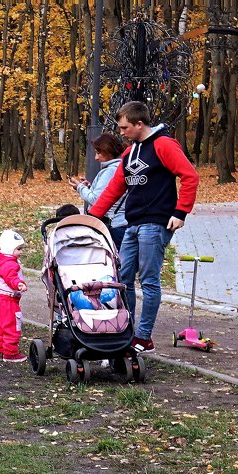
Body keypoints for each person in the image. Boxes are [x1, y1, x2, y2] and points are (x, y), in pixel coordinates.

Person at [88, 100, 198, 352]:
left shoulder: (163, 145)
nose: (121, 132)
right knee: (123, 279)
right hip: (132, 224)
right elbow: (114, 189)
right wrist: (92, 218)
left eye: (125, 127)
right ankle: (126, 332)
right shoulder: (128, 154)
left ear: (139, 123)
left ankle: (144, 337)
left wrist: (180, 212)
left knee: (149, 281)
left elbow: (190, 176)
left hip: (156, 223)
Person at [69, 132, 127, 250]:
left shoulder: (110, 171)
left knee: (114, 265)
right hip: (120, 224)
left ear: (108, 152)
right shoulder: (118, 168)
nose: (96, 158)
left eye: (98, 153)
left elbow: (97, 200)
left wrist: (80, 187)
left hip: (113, 226)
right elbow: (108, 195)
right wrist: (90, 187)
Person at [0, 230, 28, 363]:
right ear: (10, 249)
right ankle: (10, 353)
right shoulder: (10, 264)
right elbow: (11, 278)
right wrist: (19, 284)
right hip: (8, 301)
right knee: (11, 327)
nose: (21, 252)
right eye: (18, 249)